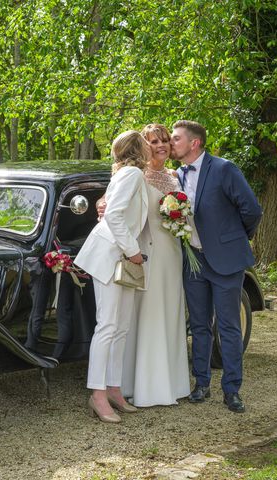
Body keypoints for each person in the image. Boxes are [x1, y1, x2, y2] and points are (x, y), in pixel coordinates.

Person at [170, 120, 262, 413]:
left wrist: (234, 238)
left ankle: (232, 390)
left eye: (176, 139)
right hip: (194, 261)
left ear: (194, 143)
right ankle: (201, 384)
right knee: (198, 326)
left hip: (226, 261)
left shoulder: (224, 169)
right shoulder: (176, 176)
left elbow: (252, 210)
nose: (171, 144)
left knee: (229, 326)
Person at [74, 130, 150, 423]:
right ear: (138, 149)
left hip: (123, 257)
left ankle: (114, 388)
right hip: (111, 256)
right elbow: (114, 216)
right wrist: (133, 252)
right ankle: (97, 394)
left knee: (121, 326)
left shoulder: (127, 174)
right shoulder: (130, 174)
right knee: (107, 325)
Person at [121, 124, 191, 407]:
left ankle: (172, 382)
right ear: (144, 145)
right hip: (147, 253)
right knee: (149, 314)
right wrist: (101, 203)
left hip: (173, 252)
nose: (161, 145)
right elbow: (112, 200)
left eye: (164, 140)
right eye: (154, 141)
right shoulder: (137, 176)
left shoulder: (175, 176)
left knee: (172, 311)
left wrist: (181, 218)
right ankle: (145, 385)